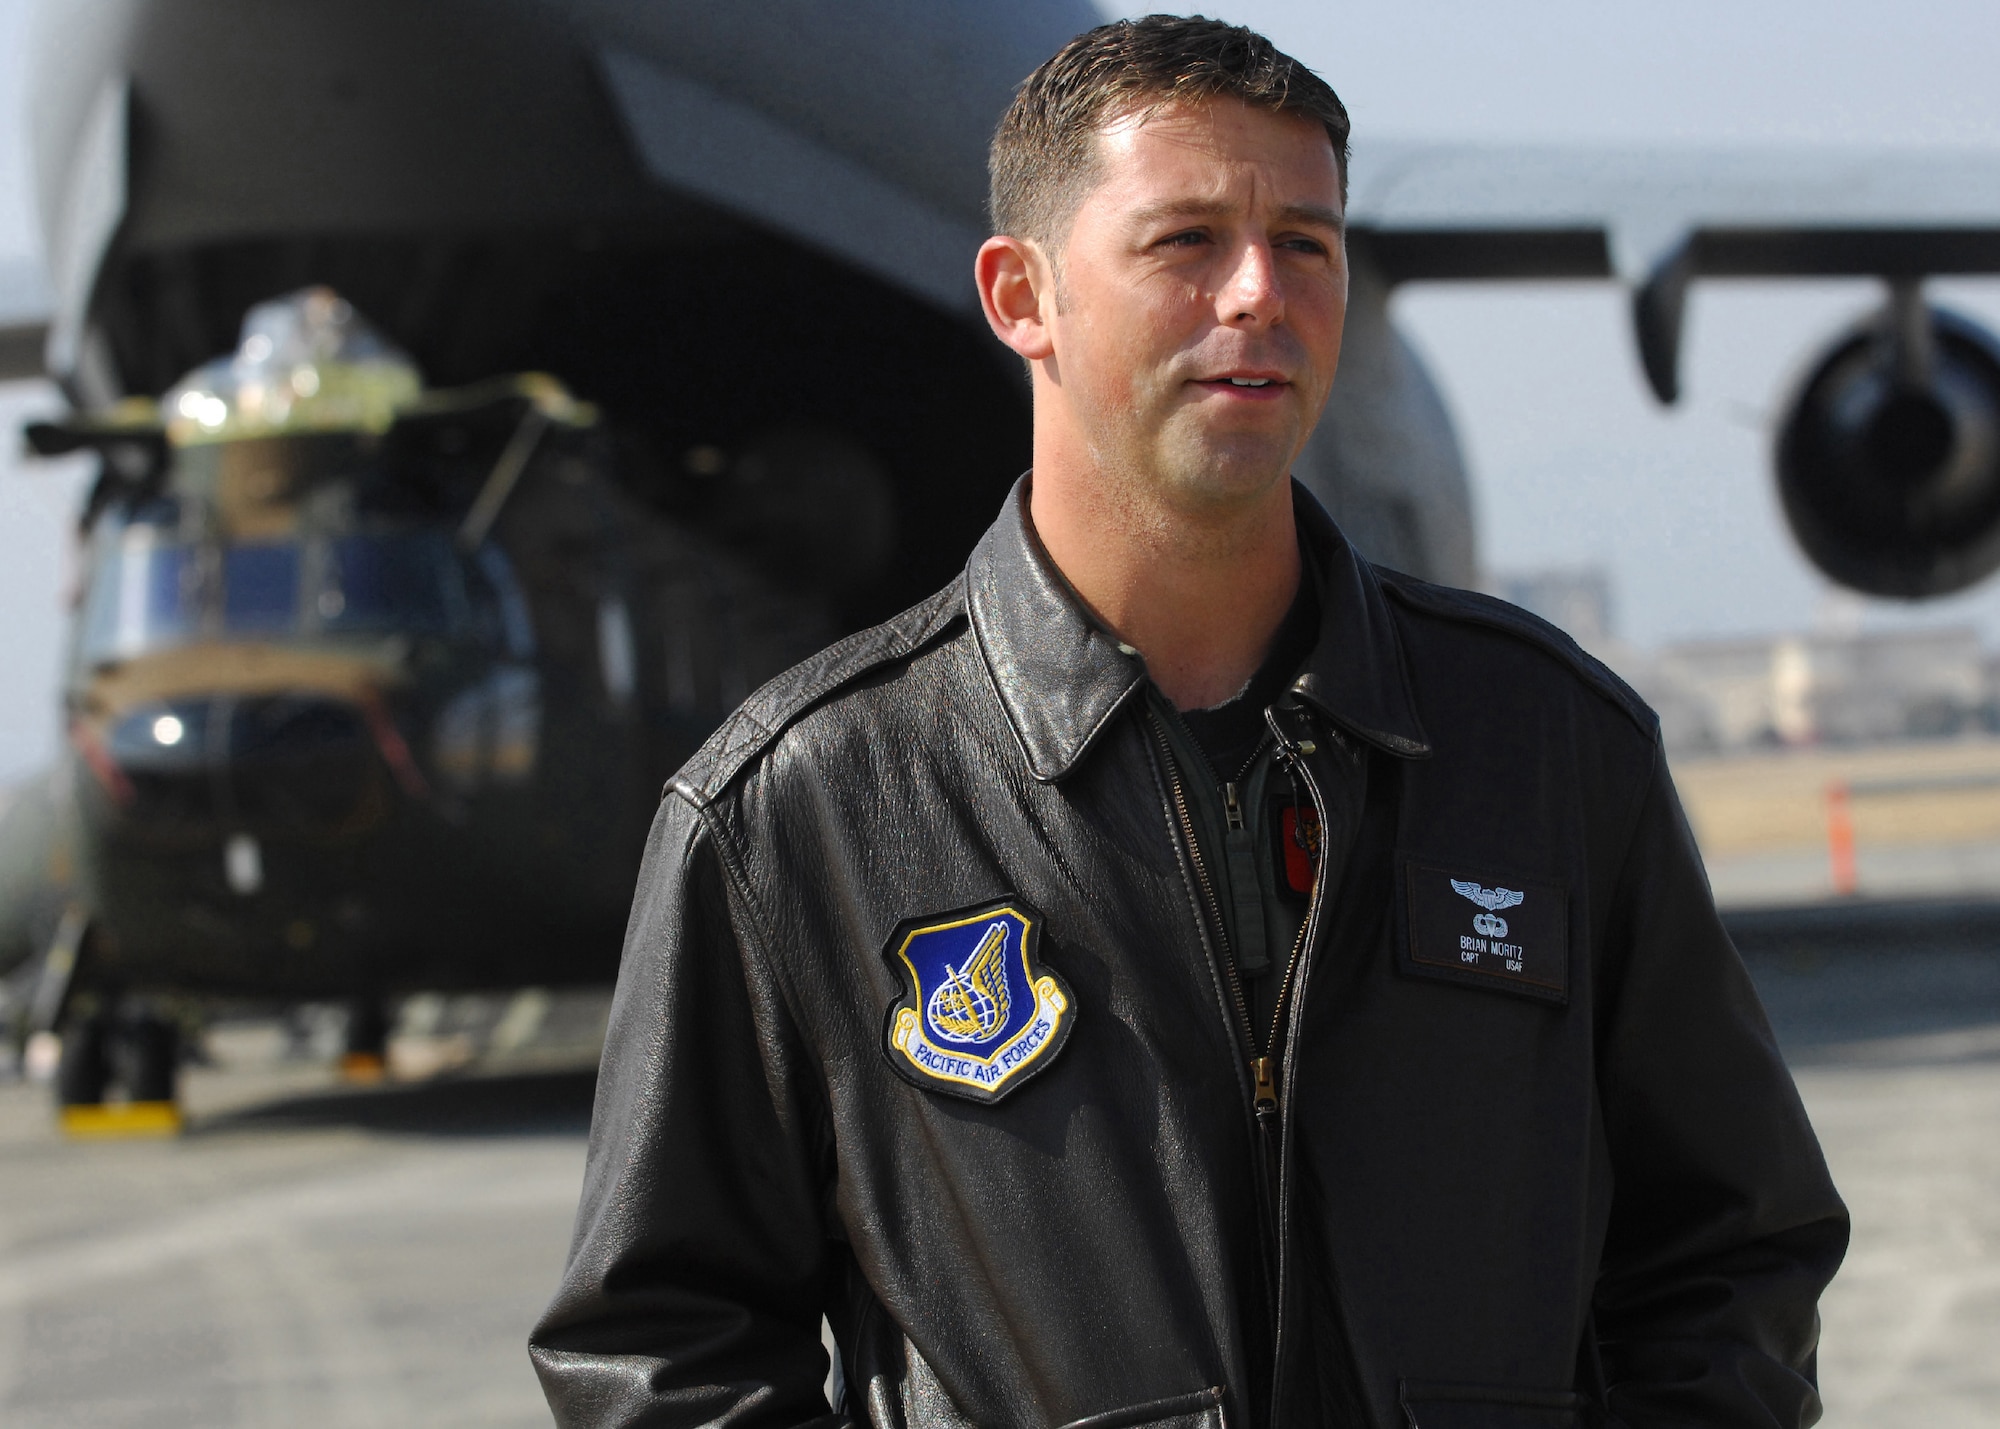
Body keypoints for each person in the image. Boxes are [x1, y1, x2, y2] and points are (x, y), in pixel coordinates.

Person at [531, 16, 1847, 1427]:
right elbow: (665, 1349)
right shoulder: (802, 812)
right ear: (1022, 295)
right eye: (1186, 243)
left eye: (1307, 244)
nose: (1260, 293)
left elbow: (1731, 1252)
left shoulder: (1548, 750)